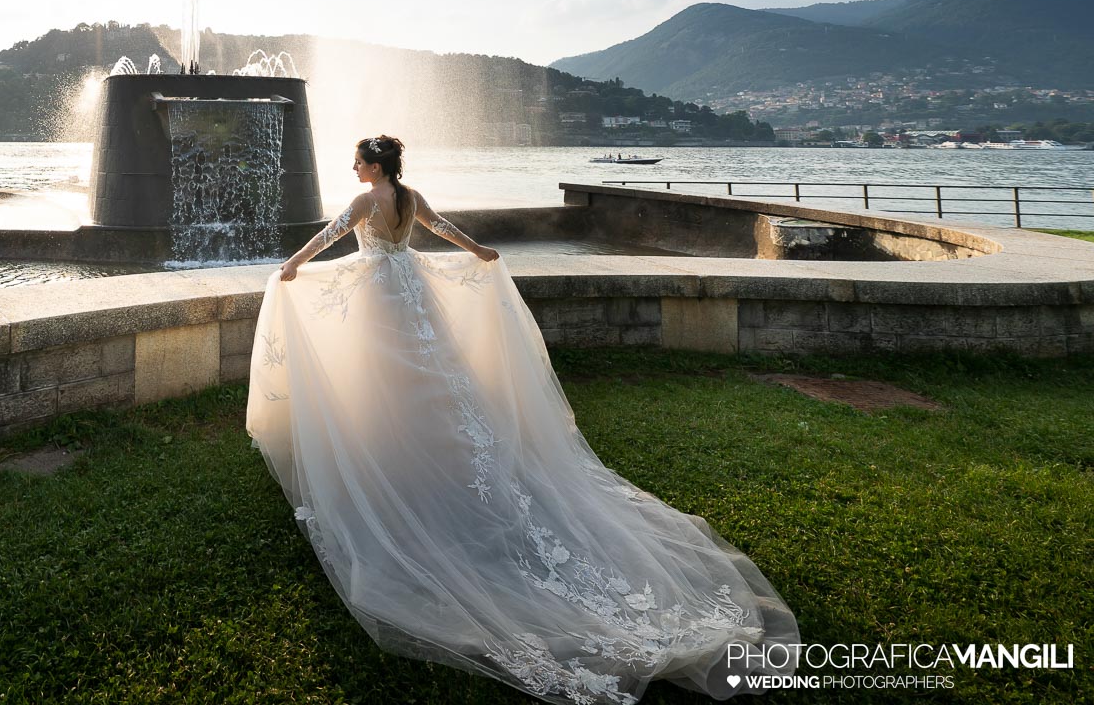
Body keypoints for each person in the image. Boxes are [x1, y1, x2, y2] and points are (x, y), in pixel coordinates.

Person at [248, 135, 800, 704]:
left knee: (389, 377)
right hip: (410, 289)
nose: (354, 168)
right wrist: (481, 251)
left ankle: (396, 451)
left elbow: (328, 237)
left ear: (374, 166)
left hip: (381, 297)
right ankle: (434, 449)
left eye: (359, 161)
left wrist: (291, 265)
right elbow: (443, 232)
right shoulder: (410, 196)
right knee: (436, 377)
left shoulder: (366, 201)